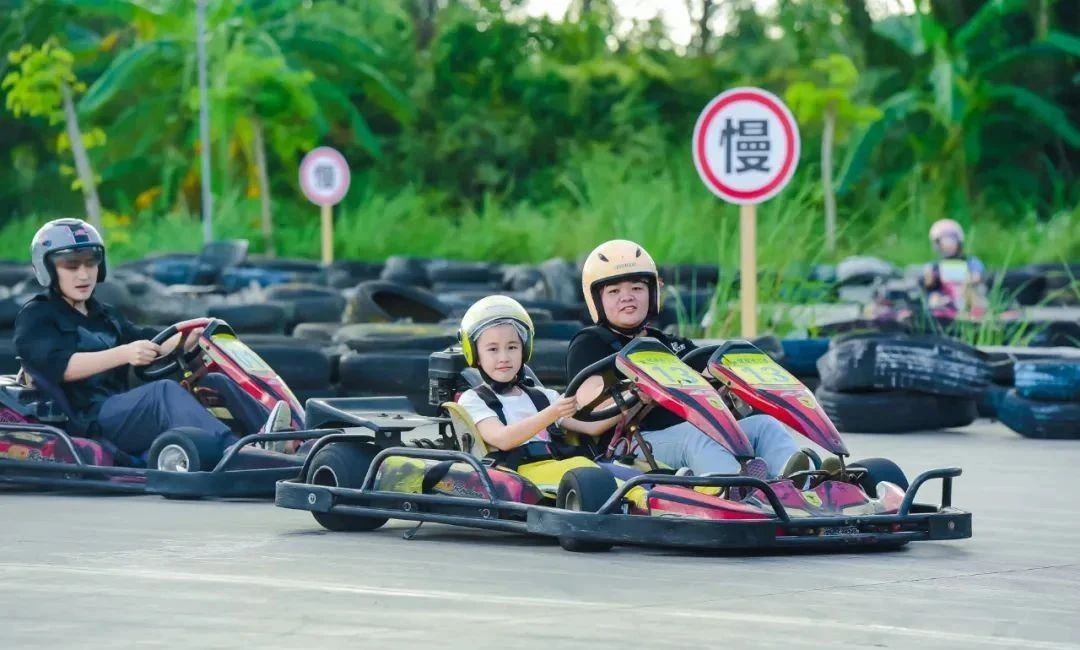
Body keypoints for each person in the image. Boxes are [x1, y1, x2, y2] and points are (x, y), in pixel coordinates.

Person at [13, 218, 290, 458]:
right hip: (86, 420)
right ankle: (236, 452)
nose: (84, 274)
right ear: (48, 269)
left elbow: (148, 340)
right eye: (72, 266)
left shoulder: (104, 314)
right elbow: (59, 367)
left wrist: (186, 339)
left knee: (214, 381)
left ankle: (282, 440)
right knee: (162, 393)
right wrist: (123, 354)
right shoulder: (37, 316)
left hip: (121, 410)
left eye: (90, 263)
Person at [564, 239, 810, 480]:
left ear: (652, 293)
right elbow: (590, 414)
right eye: (614, 291)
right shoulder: (591, 343)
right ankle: (735, 492)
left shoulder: (669, 343)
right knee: (701, 438)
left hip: (691, 433)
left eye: (637, 288)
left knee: (765, 426)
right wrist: (639, 392)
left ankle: (801, 487)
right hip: (635, 443)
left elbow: (705, 371)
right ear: (597, 300)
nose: (627, 297)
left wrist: (728, 382)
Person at [456, 295, 621, 487]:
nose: (504, 357)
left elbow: (592, 426)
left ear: (524, 350)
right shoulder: (474, 399)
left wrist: (634, 398)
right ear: (475, 355)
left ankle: (647, 497)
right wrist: (553, 412)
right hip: (518, 477)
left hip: (561, 468)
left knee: (628, 474)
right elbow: (503, 439)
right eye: (493, 349)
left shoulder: (544, 396)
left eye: (512, 347)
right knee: (598, 478)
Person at [922, 219, 987, 312]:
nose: (948, 245)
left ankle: (975, 312)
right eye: (944, 241)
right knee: (934, 298)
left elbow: (977, 276)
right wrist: (931, 278)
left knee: (973, 291)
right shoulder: (934, 266)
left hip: (967, 295)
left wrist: (966, 280)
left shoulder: (970, 261)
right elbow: (928, 284)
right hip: (945, 297)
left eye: (951, 240)